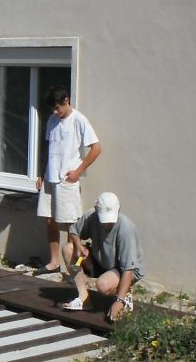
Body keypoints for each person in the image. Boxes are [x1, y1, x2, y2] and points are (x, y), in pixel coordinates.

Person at [34, 85, 101, 275]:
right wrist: (42, 173)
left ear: (66, 101)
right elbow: (48, 148)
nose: (56, 112)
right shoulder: (52, 120)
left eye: (58, 108)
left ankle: (74, 266)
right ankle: (54, 261)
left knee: (71, 223)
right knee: (50, 219)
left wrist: (78, 171)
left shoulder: (79, 120)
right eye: (53, 109)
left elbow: (96, 148)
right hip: (50, 177)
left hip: (67, 180)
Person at [65, 191, 144, 323]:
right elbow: (73, 231)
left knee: (103, 285)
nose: (107, 224)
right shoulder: (90, 216)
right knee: (68, 249)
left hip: (121, 268)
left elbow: (128, 269)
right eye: (104, 219)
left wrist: (119, 301)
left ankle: (126, 295)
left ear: (119, 209)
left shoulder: (126, 229)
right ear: (96, 210)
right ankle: (84, 299)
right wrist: (78, 246)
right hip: (101, 259)